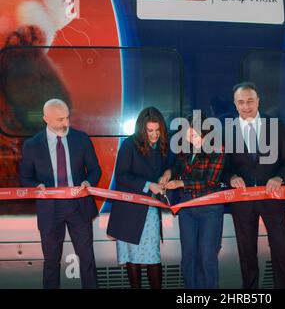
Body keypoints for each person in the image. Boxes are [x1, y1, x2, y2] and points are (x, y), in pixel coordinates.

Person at [19, 99, 101, 289]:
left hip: (79, 206)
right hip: (50, 209)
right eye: (60, 119)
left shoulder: (81, 139)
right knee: (51, 263)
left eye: (67, 117)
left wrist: (89, 183)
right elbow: (25, 177)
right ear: (46, 119)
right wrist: (36, 186)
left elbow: (95, 170)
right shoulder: (32, 145)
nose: (66, 123)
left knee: (87, 260)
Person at [222, 82, 285, 289]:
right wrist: (232, 177)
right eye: (241, 102)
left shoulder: (276, 126)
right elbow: (223, 167)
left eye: (250, 101)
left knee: (281, 251)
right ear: (235, 105)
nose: (246, 106)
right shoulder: (228, 131)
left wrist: (279, 178)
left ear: (258, 101)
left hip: (273, 199)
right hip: (242, 202)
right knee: (247, 253)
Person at [107, 107, 169, 289]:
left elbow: (171, 165)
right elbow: (122, 176)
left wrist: (167, 173)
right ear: (142, 130)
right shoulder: (129, 145)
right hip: (128, 211)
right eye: (150, 131)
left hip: (149, 209)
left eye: (158, 130)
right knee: (131, 259)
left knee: (153, 258)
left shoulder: (163, 145)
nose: (154, 135)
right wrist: (149, 184)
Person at [163, 112, 225, 289]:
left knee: (207, 256)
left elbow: (210, 182)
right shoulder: (184, 148)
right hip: (187, 208)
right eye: (188, 133)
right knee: (188, 256)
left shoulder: (217, 149)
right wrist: (169, 173)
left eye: (194, 134)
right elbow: (177, 165)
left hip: (209, 208)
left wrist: (180, 182)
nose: (190, 137)